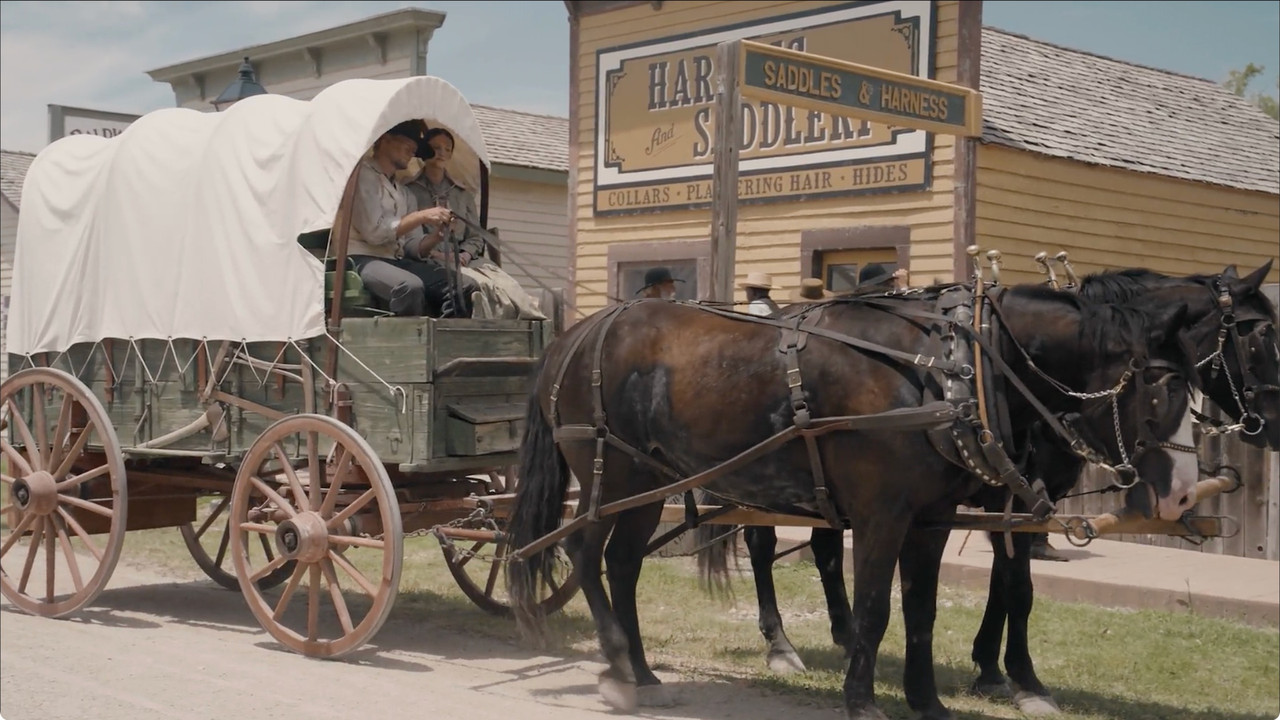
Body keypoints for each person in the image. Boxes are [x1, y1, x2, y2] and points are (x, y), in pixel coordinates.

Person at [405, 128, 545, 320]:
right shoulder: (410, 191)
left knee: (506, 284)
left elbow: (475, 236)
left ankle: (530, 318)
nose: (441, 153)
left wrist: (465, 254)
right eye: (436, 148)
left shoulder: (462, 194)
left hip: (465, 259)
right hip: (430, 260)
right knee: (479, 285)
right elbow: (411, 239)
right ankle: (482, 323)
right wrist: (438, 254)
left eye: (447, 149)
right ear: (424, 151)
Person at [349, 120, 475, 317]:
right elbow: (374, 232)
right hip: (361, 259)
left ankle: (444, 335)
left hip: (394, 260)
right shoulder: (362, 175)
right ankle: (412, 337)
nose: (412, 152)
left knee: (462, 285)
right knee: (409, 286)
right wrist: (421, 216)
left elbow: (411, 247)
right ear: (385, 140)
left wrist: (436, 236)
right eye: (408, 145)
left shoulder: (404, 193)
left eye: (414, 150)